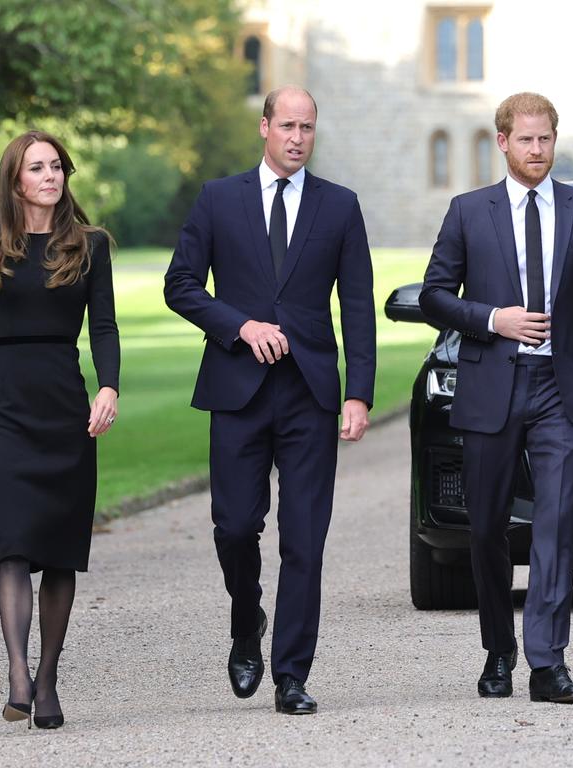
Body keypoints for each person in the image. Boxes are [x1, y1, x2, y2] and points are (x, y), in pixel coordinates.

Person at [164, 86, 376, 715]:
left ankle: (291, 675)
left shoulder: (340, 206)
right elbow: (180, 285)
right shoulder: (218, 199)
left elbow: (358, 308)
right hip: (238, 389)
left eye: (307, 127)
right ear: (263, 127)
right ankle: (245, 617)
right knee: (234, 527)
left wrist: (359, 393)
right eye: (286, 125)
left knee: (305, 540)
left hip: (309, 393)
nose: (297, 138)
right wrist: (239, 326)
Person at [420, 92, 573, 704]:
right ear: (503, 142)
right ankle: (498, 650)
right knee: (485, 528)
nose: (537, 150)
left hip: (560, 392)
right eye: (526, 140)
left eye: (546, 139)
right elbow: (435, 295)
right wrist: (493, 319)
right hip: (491, 387)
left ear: (554, 141)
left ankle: (546, 661)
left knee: (556, 526)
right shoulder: (467, 211)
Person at [0, 130, 120, 728]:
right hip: (7, 410)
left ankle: (46, 682)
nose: (50, 176)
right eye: (37, 168)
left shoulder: (90, 246)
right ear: (15, 180)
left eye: (56, 167)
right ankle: (19, 679)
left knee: (61, 554)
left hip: (65, 409)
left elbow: (105, 326)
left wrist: (108, 386)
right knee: (15, 546)